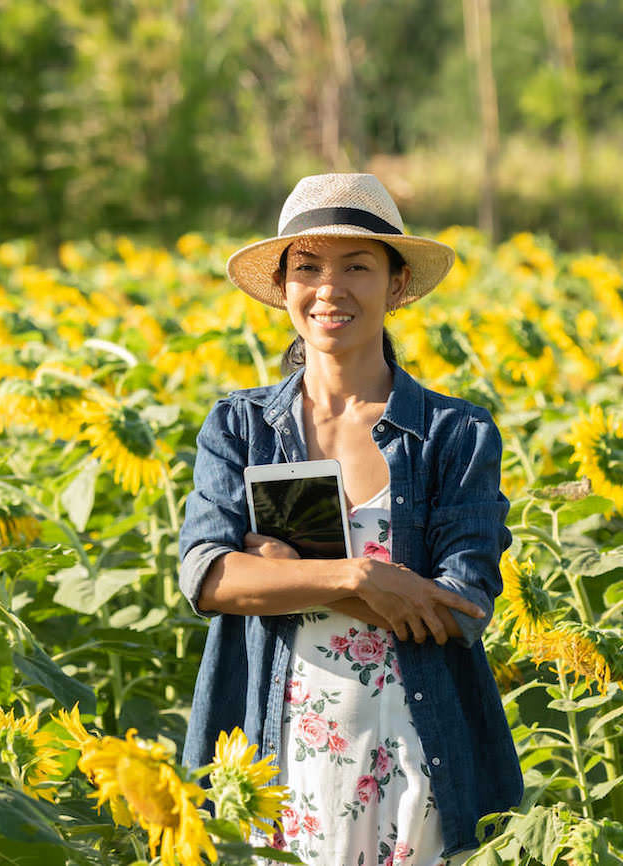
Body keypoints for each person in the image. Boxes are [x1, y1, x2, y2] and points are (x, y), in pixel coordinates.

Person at [177, 173, 523, 865]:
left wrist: (285, 575)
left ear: (396, 286)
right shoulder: (240, 428)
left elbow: (462, 606)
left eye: (357, 266)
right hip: (279, 765)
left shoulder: (455, 434)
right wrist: (361, 577)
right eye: (307, 267)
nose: (329, 289)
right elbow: (209, 578)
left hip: (420, 762)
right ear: (283, 287)